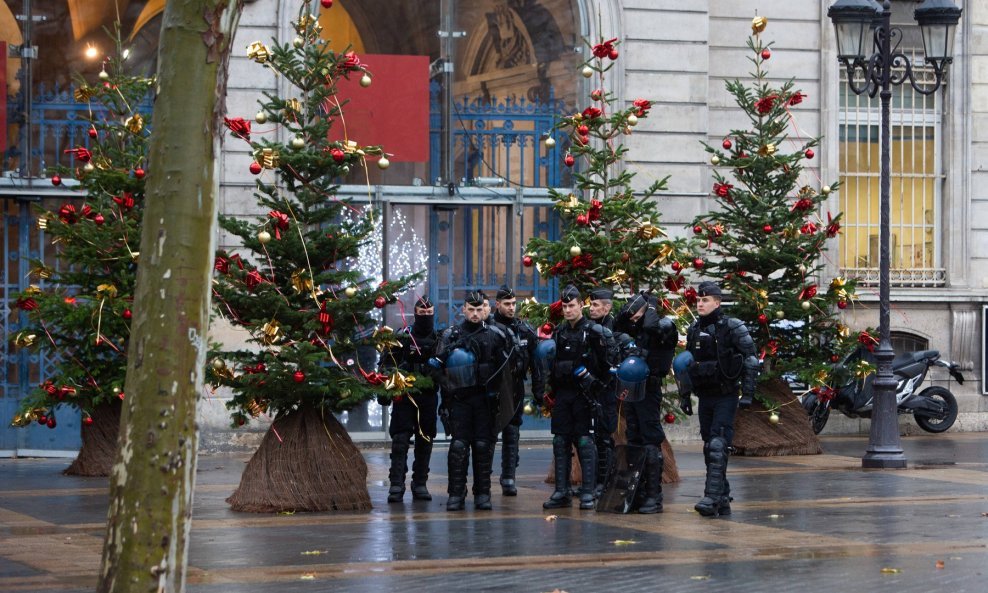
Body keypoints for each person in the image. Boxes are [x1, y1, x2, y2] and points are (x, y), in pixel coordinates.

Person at [674, 281, 759, 517]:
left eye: (705, 300)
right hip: (705, 395)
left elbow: (751, 359)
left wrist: (748, 393)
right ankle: (722, 496)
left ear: (717, 302)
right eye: (698, 300)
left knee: (718, 443)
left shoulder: (732, 327)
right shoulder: (693, 328)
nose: (700, 304)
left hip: (726, 394)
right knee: (709, 446)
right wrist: (684, 396)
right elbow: (686, 364)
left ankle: (711, 497)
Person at [540, 285, 618, 510]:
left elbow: (609, 365)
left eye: (571, 305)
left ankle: (587, 491)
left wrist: (596, 385)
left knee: (585, 441)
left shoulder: (594, 332)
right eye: (564, 306)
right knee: (560, 440)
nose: (567, 310)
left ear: (580, 305)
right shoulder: (559, 332)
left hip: (585, 396)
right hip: (564, 395)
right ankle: (562, 492)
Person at [434, 290, 512, 511]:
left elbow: (506, 371)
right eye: (471, 309)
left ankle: (483, 493)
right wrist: (448, 387)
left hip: (485, 401)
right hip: (459, 399)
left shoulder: (496, 336)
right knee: (459, 446)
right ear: (464, 310)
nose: (476, 313)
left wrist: (496, 393)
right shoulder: (451, 335)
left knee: (482, 446)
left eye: (479, 309)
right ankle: (456, 494)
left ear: (484, 309)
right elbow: (435, 368)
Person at [613, 291, 679, 514]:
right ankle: (638, 492)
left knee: (650, 438)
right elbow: (617, 327)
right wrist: (628, 310)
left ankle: (654, 495)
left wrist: (650, 305)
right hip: (632, 389)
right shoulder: (636, 326)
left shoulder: (663, 325)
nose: (633, 317)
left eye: (636, 311)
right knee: (634, 437)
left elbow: (652, 327)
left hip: (650, 390)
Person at [381, 296, 440, 503]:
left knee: (425, 439)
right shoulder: (403, 337)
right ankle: (397, 483)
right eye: (421, 313)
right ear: (415, 314)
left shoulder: (438, 339)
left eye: (428, 314)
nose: (425, 316)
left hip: (428, 396)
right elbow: (387, 364)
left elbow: (447, 369)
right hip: (404, 395)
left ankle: (420, 482)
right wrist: (386, 391)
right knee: (400, 440)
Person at [492, 285, 544, 496]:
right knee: (487, 436)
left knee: (512, 433)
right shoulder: (489, 327)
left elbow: (536, 364)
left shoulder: (524, 330)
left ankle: (508, 477)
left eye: (514, 304)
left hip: (515, 387)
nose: (512, 308)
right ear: (497, 304)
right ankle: (483, 481)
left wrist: (539, 392)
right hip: (494, 389)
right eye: (507, 304)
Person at [587, 287, 619, 497]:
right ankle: (592, 481)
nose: (591, 308)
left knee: (604, 436)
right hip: (589, 386)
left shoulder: (613, 328)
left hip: (606, 387)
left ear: (607, 308)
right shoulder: (588, 327)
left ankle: (604, 481)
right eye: (590, 304)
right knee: (590, 436)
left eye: (596, 305)